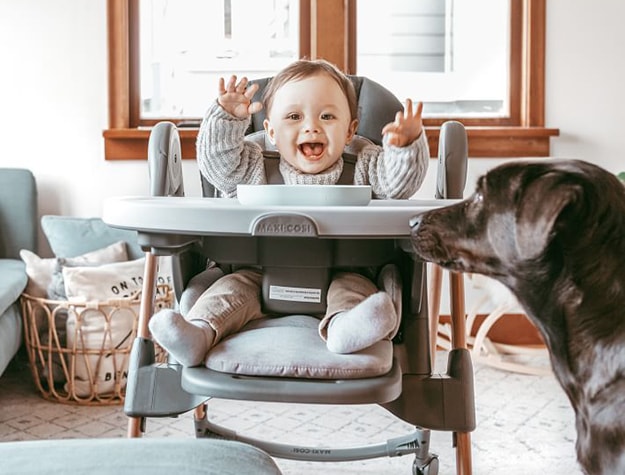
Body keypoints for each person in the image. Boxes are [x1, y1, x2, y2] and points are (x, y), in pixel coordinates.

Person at [149, 59, 429, 366]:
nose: (311, 126)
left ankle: (345, 329)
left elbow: (398, 185)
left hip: (347, 269)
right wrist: (227, 121)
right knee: (227, 293)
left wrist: (404, 148)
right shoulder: (252, 164)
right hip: (256, 271)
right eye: (294, 116)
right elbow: (218, 166)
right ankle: (199, 334)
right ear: (269, 130)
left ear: (350, 131)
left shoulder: (366, 163)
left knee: (355, 291)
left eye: (327, 116)